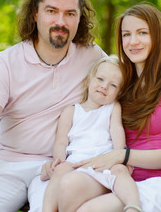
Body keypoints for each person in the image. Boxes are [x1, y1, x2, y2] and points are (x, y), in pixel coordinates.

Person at [0, 0, 106, 212]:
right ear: (35, 14)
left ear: (79, 18)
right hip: (6, 162)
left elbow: (131, 84)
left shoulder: (93, 58)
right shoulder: (5, 63)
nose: (60, 21)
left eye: (70, 14)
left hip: (60, 165)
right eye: (51, 11)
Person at [57, 3, 161, 212]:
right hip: (118, 176)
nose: (133, 41)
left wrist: (122, 155)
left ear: (158, 37)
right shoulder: (119, 86)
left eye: (142, 33)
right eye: (126, 34)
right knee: (68, 187)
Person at [40, 56, 141, 212]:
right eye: (100, 79)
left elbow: (116, 130)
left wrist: (120, 154)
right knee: (60, 171)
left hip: (104, 161)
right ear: (89, 80)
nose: (104, 86)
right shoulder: (72, 110)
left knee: (120, 172)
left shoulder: (112, 107)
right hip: (76, 162)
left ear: (118, 92)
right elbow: (61, 140)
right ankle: (47, 209)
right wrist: (59, 158)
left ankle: (133, 205)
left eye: (113, 85)